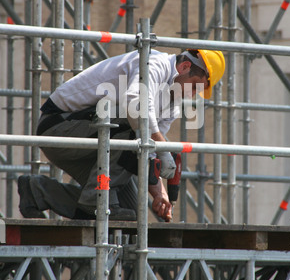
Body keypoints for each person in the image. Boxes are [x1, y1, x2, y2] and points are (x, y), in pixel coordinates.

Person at [17, 48, 225, 222]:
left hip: (96, 141)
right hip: (59, 128)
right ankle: (92, 202)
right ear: (185, 67)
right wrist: (162, 148)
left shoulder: (173, 103)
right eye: (197, 85)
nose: (195, 93)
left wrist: (159, 193)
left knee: (128, 214)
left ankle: (38, 190)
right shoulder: (154, 63)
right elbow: (135, 103)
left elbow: (149, 153)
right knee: (135, 126)